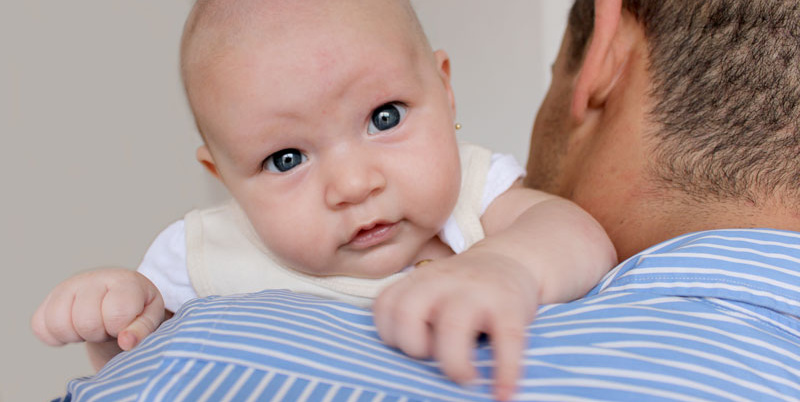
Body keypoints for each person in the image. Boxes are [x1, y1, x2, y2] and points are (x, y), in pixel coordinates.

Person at [52, 0, 800, 400]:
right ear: (225, 179)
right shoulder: (204, 249)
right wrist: (123, 306)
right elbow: (136, 343)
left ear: (444, 89)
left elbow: (570, 231)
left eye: (384, 119)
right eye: (285, 158)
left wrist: (506, 269)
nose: (352, 184)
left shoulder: (476, 193)